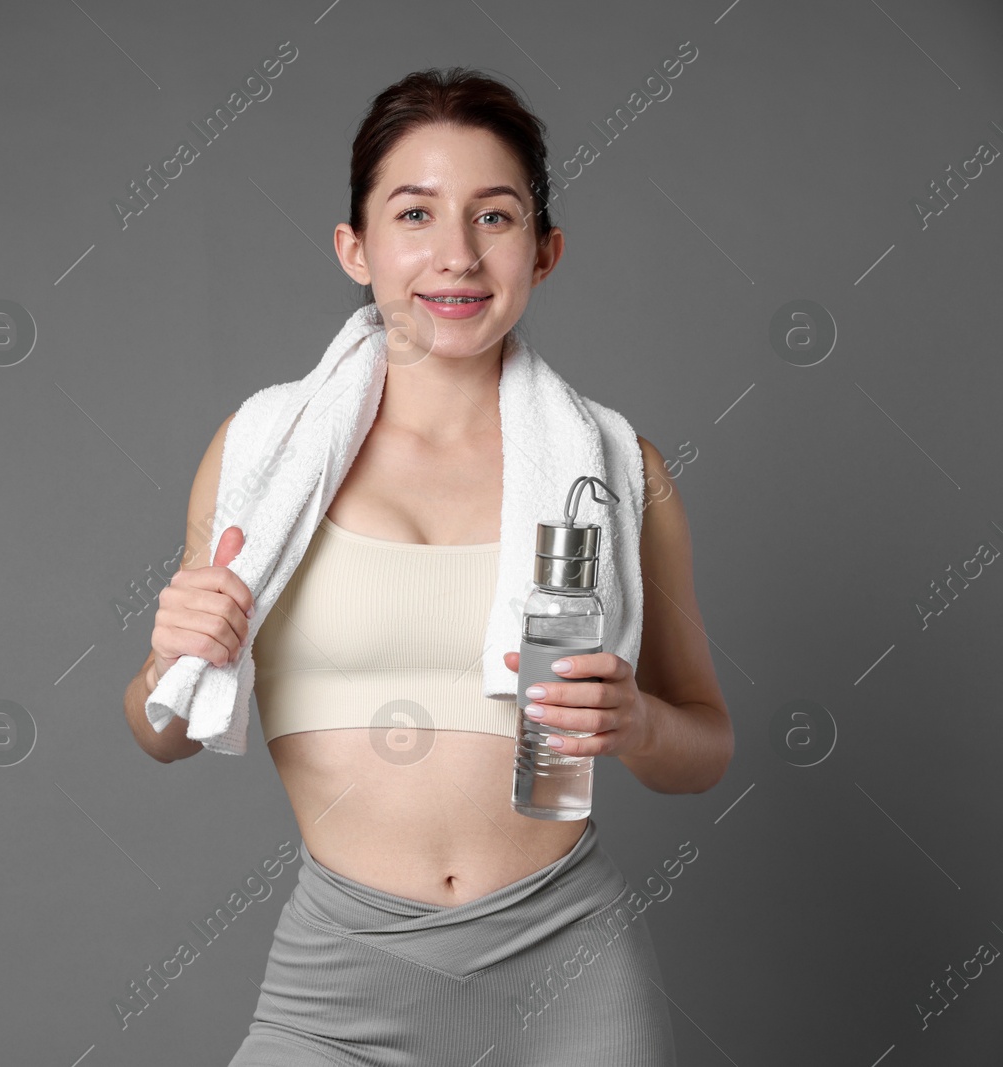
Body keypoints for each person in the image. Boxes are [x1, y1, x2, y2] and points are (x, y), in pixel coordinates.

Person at [122, 67, 731, 1066]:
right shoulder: (259, 456)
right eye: (414, 213)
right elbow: (160, 731)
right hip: (338, 981)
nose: (455, 254)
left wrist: (639, 722)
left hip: (568, 967)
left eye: (494, 215)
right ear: (354, 248)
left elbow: (703, 746)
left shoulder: (621, 470)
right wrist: (166, 664)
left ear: (544, 250)